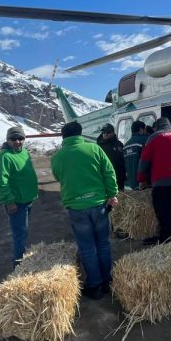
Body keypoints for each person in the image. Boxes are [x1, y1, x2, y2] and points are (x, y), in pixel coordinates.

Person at [50, 121, 119, 300]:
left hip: (77, 208)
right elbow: (109, 172)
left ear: (63, 136)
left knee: (87, 248)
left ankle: (94, 286)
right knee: (103, 244)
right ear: (80, 133)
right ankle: (107, 281)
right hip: (98, 205)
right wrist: (112, 194)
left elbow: (58, 176)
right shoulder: (95, 149)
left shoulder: (57, 157)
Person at [0, 126, 39, 270]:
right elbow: (1, 182)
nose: (18, 142)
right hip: (17, 203)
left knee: (23, 231)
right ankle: (18, 266)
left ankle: (22, 259)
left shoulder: (24, 152)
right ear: (8, 140)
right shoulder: (4, 157)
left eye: (20, 138)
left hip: (27, 199)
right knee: (20, 234)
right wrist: (9, 201)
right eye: (14, 139)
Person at [97, 123, 126, 191]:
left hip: (119, 177)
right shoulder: (99, 146)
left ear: (113, 133)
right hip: (105, 177)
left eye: (108, 132)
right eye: (103, 132)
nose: (105, 134)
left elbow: (124, 160)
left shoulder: (119, 144)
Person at [123, 120, 149, 190]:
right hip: (144, 184)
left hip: (131, 184)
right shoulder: (145, 140)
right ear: (141, 129)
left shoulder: (125, 146)